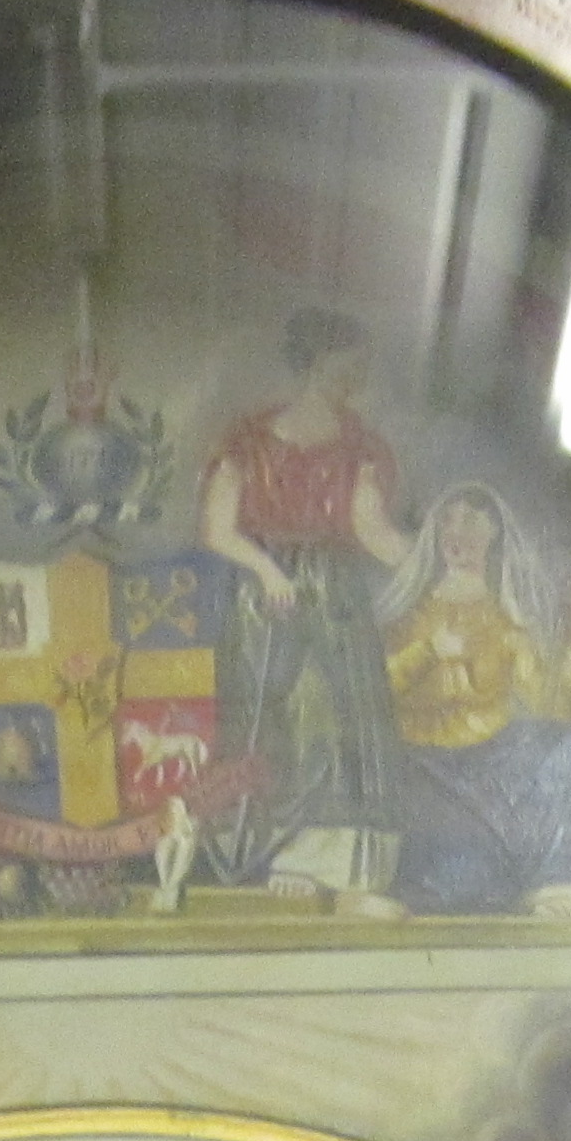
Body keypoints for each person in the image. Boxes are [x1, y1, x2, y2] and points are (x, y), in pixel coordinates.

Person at [381, 483, 571, 937]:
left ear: (493, 535)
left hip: (497, 759)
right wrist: (427, 651)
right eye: (448, 520)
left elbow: (552, 706)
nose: (458, 533)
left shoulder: (505, 623)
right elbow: (379, 691)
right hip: (430, 765)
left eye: (472, 522)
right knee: (460, 880)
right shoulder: (411, 613)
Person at [201, 309, 416, 905]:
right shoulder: (247, 440)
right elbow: (218, 529)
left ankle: (339, 861)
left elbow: (371, 531)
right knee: (281, 715)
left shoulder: (359, 447)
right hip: (265, 600)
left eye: (360, 366)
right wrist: (269, 569)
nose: (356, 376)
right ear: (316, 363)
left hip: (336, 597)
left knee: (346, 714)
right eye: (346, 363)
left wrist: (429, 567)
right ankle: (271, 852)